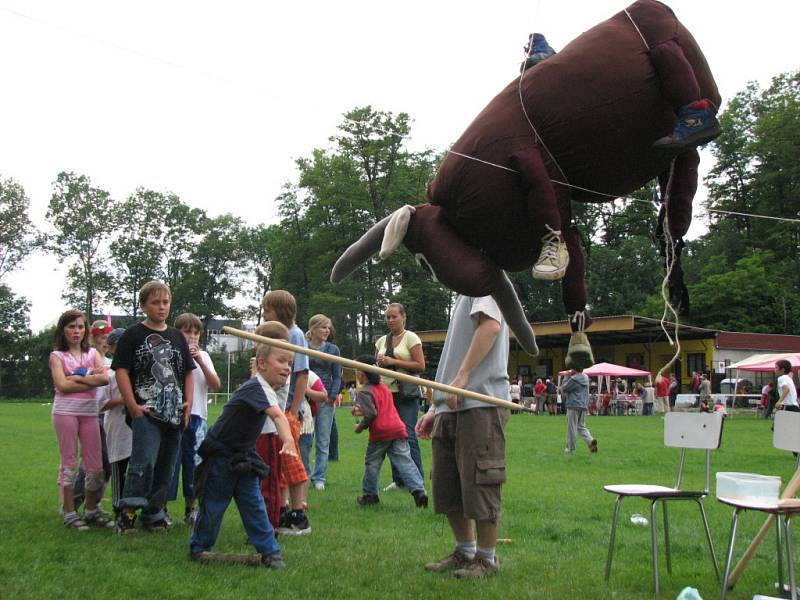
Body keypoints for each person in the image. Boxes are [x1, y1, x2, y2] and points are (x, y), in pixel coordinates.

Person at [415, 295, 510, 579]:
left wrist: (463, 377)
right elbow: (452, 358)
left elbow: (491, 326)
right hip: (451, 405)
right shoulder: (462, 293)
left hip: (480, 401)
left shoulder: (484, 284)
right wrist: (436, 406)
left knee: (481, 481)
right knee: (448, 484)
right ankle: (465, 551)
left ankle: (486, 559)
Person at [189, 324, 297, 569]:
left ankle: (270, 552)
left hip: (244, 457)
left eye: (290, 363)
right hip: (220, 458)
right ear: (261, 364)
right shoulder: (256, 387)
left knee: (254, 505)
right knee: (214, 506)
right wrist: (288, 441)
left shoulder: (264, 387)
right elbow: (278, 416)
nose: (287, 367)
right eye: (281, 361)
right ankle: (199, 547)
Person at [112, 281, 195, 533]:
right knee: (143, 462)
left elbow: (188, 372)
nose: (161, 307)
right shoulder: (133, 335)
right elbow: (121, 371)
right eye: (155, 302)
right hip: (146, 411)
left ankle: (154, 513)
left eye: (165, 302)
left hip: (174, 412)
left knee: (166, 465)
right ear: (143, 305)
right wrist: (133, 406)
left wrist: (188, 404)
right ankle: (127, 513)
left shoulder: (177, 336)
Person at [49, 309, 112, 530]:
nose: (76, 331)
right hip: (65, 412)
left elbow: (104, 378)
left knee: (95, 465)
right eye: (71, 327)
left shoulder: (92, 353)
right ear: (63, 330)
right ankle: (69, 512)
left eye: (80, 327)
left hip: (89, 412)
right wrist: (89, 377)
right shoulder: (57, 356)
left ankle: (92, 510)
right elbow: (62, 386)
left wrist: (75, 376)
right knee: (69, 463)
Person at [260, 290, 311, 536]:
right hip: (274, 410)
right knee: (277, 463)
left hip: (288, 410)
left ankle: (298, 514)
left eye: (266, 310)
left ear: (280, 312)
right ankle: (281, 509)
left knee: (291, 462)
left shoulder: (295, 335)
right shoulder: (273, 334)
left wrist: (293, 410)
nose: (263, 314)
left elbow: (301, 375)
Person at [352, 355, 428, 508]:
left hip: (381, 432)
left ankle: (370, 495)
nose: (356, 374)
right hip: (397, 429)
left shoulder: (364, 392)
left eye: (356, 371)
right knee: (404, 461)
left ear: (362, 373)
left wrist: (359, 427)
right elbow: (381, 408)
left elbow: (372, 414)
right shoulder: (384, 388)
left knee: (372, 463)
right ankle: (419, 491)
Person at [167, 313, 221, 526]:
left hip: (198, 418)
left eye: (196, 332)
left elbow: (215, 385)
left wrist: (198, 360)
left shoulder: (204, 356)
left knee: (195, 465)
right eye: (187, 331)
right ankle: (161, 508)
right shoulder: (169, 354)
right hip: (173, 417)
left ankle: (191, 508)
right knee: (171, 464)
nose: (192, 336)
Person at [375, 302, 426, 492]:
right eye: (387, 317)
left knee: (408, 436)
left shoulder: (411, 337)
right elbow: (376, 367)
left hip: (406, 394)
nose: (390, 320)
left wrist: (393, 361)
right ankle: (399, 480)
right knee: (391, 436)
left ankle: (417, 480)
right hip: (386, 396)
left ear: (404, 317)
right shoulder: (381, 341)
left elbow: (420, 366)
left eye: (394, 316)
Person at [305, 314, 342, 491]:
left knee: (323, 440)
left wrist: (332, 396)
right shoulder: (301, 346)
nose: (327, 330)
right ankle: (305, 473)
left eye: (329, 327)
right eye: (323, 327)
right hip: (306, 399)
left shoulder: (333, 349)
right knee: (304, 439)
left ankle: (319, 476)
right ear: (312, 329)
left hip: (326, 400)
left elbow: (337, 375)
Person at [99, 327, 131, 520]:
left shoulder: (137, 371)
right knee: (119, 468)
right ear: (111, 349)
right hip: (117, 427)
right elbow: (102, 404)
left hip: (136, 428)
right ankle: (118, 507)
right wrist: (125, 400)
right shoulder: (109, 375)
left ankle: (132, 508)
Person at [560, 366, 597, 455]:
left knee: (571, 428)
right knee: (581, 426)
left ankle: (570, 449)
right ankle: (590, 441)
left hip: (573, 405)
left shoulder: (574, 379)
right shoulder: (585, 377)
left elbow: (564, 388)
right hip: (583, 405)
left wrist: (566, 377)